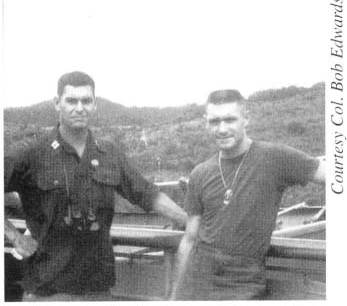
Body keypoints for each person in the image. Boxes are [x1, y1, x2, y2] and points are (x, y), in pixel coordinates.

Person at [4, 71, 187, 301]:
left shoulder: (109, 152)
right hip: (48, 291)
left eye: (86, 101)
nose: (79, 107)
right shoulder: (31, 153)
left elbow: (148, 195)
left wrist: (189, 222)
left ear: (95, 104)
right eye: (71, 100)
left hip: (98, 290)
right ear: (56, 103)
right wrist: (15, 237)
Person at [170, 89, 325, 300]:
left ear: (246, 119)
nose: (222, 129)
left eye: (230, 119)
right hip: (198, 280)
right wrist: (174, 296)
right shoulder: (200, 173)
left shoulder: (275, 158)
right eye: (215, 121)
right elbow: (189, 238)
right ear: (206, 123)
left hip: (243, 284)